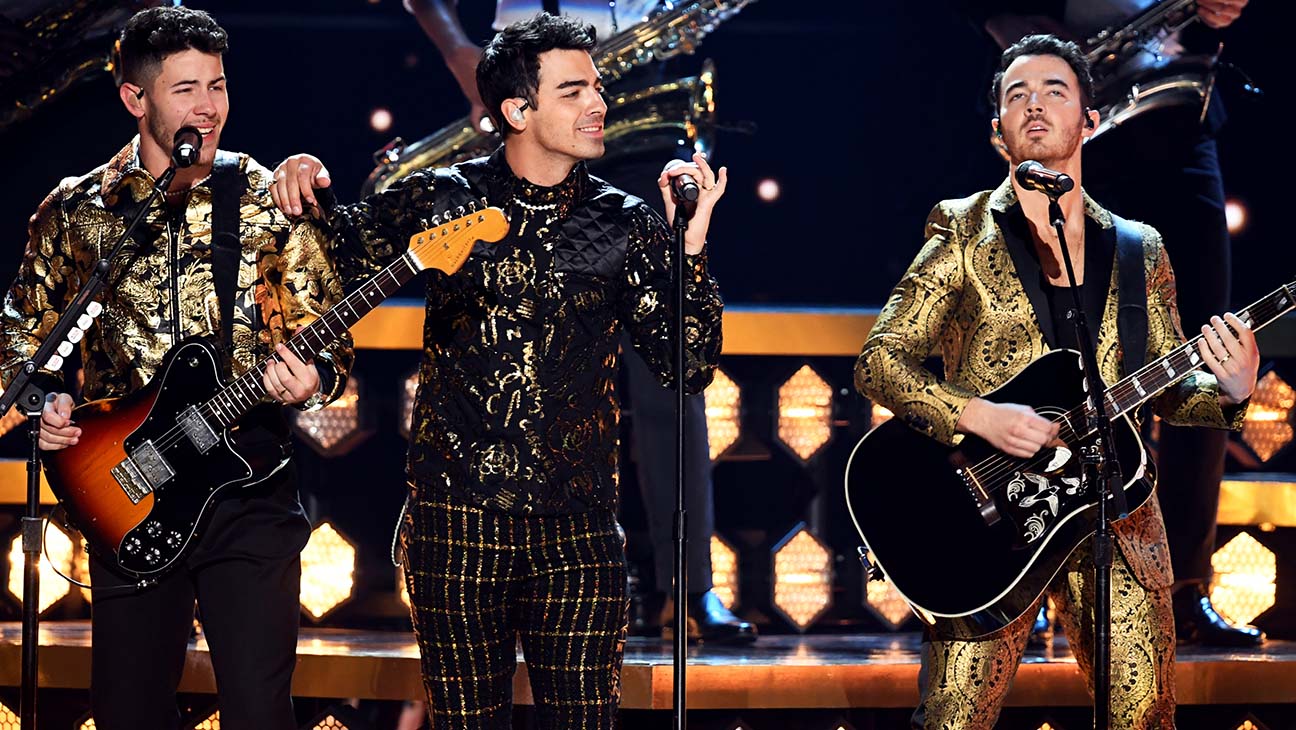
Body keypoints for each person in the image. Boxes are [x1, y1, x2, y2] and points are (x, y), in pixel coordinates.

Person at [271, 12, 726, 728]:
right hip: (456, 527)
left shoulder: (628, 222)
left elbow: (687, 366)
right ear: (517, 110)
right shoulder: (442, 197)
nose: (600, 103)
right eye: (574, 91)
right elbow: (336, 247)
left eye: (597, 87)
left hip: (578, 535)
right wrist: (302, 177)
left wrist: (689, 252)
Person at [854, 34, 1259, 728]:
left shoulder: (1140, 247)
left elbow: (1167, 388)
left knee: (1143, 719)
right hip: (987, 525)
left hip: (1117, 518)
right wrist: (979, 416)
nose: (1035, 104)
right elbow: (880, 360)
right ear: (998, 132)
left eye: (1054, 91)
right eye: (1017, 95)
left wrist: (1232, 391)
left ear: (1091, 121)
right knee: (954, 719)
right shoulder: (961, 230)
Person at [0, 7, 353, 728]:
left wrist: (315, 379)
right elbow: (19, 328)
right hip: (127, 491)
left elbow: (330, 342)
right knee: (128, 711)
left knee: (259, 712)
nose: (208, 107)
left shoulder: (267, 199)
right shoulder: (77, 210)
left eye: (217, 86)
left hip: (250, 489)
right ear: (136, 98)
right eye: (186, 89)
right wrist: (43, 405)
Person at [405, 0, 754, 643]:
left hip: (640, 101)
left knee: (669, 372)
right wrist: (459, 52)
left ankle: (689, 586)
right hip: (533, 93)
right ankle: (507, 579)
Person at [961, 0, 1263, 647]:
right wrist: (1049, 53)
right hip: (1073, 123)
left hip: (1178, 118)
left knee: (1204, 347)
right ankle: (1033, 583)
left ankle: (1183, 588)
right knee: (1048, 361)